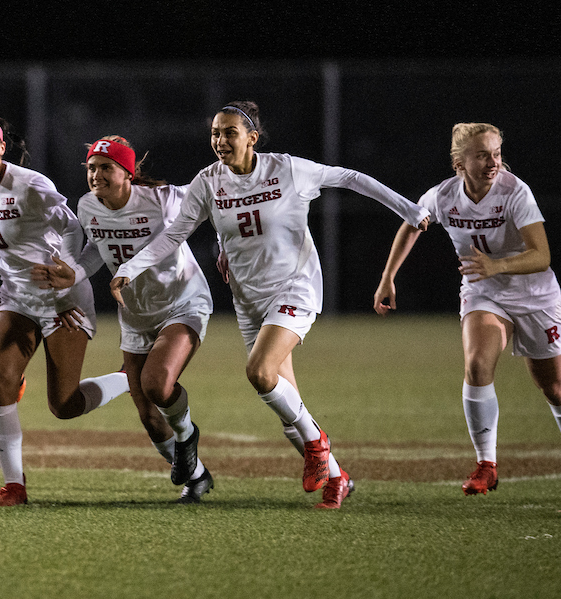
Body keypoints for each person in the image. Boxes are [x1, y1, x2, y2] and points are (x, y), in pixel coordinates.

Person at [112, 101, 430, 509]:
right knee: (286, 407)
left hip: (295, 288)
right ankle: (337, 478)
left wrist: (409, 208)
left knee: (260, 373)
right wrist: (132, 267)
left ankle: (318, 443)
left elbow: (349, 178)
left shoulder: (287, 170)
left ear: (252, 138)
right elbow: (175, 234)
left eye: (229, 132)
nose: (220, 140)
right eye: (214, 133)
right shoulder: (208, 182)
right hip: (248, 300)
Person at [374, 122, 561, 502]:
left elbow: (542, 255)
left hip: (535, 295)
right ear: (459, 162)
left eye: (496, 153)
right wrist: (388, 277)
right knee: (477, 364)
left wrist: (497, 265)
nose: (493, 162)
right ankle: (486, 465)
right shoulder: (443, 195)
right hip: (484, 292)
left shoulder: (515, 192)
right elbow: (412, 225)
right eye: (482, 155)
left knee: (555, 388)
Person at [0, 106, 130, 507]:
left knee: (64, 405)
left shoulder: (32, 186)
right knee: (0, 385)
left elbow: (73, 228)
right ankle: (13, 486)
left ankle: (126, 378)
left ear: (2, 147)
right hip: (16, 297)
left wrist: (67, 280)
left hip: (63, 300)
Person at [33, 136, 216, 503]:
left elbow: (214, 207)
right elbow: (95, 252)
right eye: (91, 168)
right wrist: (75, 274)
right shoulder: (88, 206)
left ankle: (186, 437)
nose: (96, 175)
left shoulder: (162, 199)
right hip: (135, 314)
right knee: (148, 415)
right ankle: (195, 477)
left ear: (127, 172)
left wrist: (225, 248)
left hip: (182, 302)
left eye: (105, 167)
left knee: (157, 383)